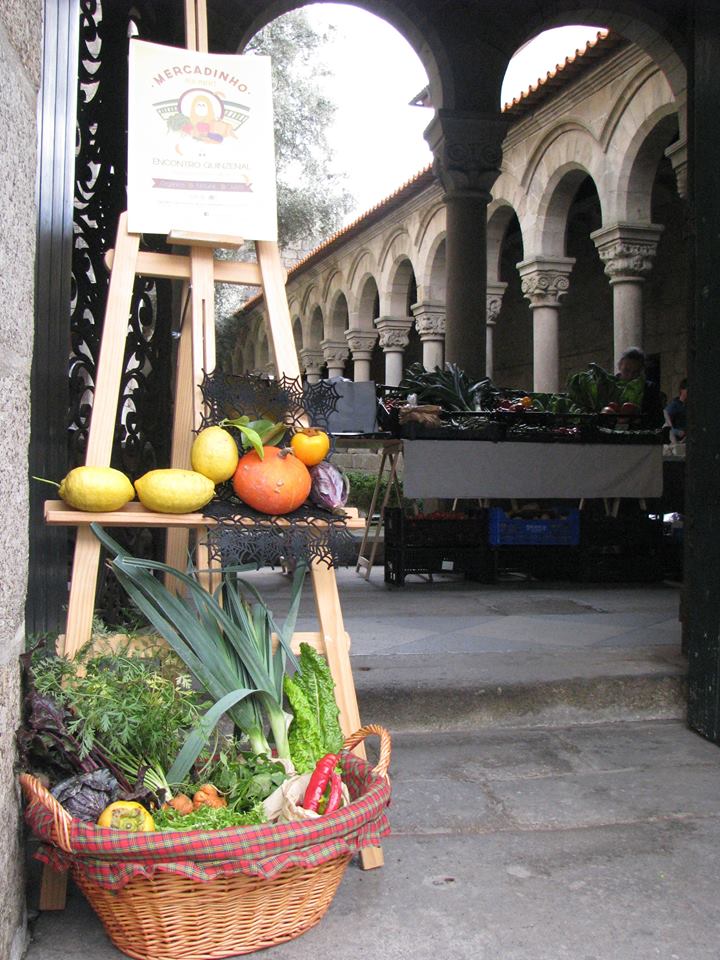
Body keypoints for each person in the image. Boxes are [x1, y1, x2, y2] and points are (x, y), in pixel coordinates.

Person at [616, 346, 665, 427]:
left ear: (641, 370)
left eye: (636, 372)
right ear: (619, 365)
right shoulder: (609, 386)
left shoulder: (650, 389)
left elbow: (658, 419)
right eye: (626, 370)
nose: (630, 376)